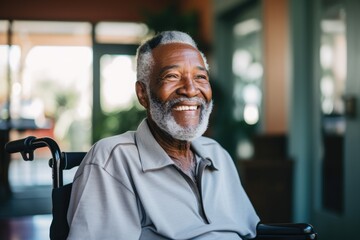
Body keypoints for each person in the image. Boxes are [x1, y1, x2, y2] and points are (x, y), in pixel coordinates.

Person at [66, 30, 260, 239]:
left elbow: (252, 231)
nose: (190, 89)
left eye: (200, 77)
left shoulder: (217, 154)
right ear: (143, 94)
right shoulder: (112, 160)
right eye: (172, 76)